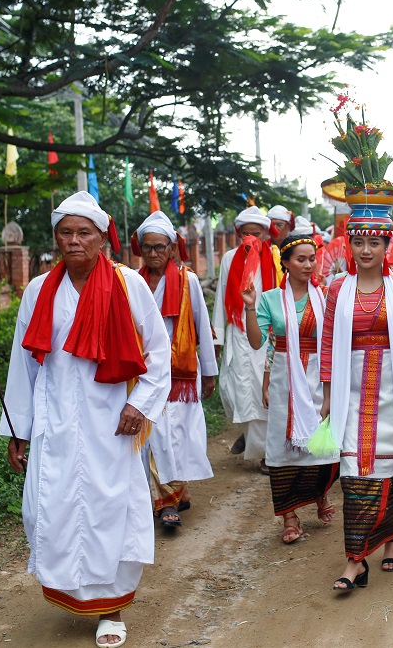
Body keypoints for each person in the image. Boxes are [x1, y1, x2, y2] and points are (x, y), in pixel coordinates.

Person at [0, 192, 170, 648]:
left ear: (101, 239)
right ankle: (73, 594)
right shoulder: (39, 290)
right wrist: (18, 430)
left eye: (84, 233)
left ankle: (112, 609)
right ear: (56, 238)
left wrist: (140, 405)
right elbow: (25, 366)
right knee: (51, 509)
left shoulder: (129, 283)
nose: (74, 241)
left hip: (112, 421)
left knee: (110, 511)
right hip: (54, 422)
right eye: (65, 233)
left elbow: (158, 352)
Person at [316, 201, 393, 592]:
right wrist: (326, 397)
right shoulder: (338, 287)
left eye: (374, 242)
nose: (366, 250)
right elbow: (328, 344)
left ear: (387, 245)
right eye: (359, 243)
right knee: (354, 473)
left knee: (391, 469)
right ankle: (355, 560)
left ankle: (391, 539)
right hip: (350, 392)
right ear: (349, 246)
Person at [242, 234, 339, 543]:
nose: (308, 264)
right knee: (284, 447)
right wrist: (249, 308)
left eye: (312, 258)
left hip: (320, 375)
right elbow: (259, 343)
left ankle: (319, 494)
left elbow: (335, 342)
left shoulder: (325, 296)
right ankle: (290, 516)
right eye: (301, 259)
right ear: (285, 262)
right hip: (286, 377)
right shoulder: (271, 299)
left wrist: (331, 390)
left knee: (324, 444)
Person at [132, 211, 217, 530]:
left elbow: (201, 326)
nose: (153, 253)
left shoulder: (188, 280)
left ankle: (173, 495)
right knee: (153, 436)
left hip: (180, 374)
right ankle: (166, 500)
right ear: (139, 249)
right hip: (144, 373)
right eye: (148, 247)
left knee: (175, 436)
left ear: (171, 248)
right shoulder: (132, 281)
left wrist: (209, 372)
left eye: (159, 247)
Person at [213, 207, 278, 472]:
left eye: (257, 233)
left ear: (265, 234)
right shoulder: (230, 258)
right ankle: (251, 438)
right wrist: (216, 339)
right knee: (241, 390)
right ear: (239, 234)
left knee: (266, 392)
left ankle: (266, 454)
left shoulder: (274, 258)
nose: (251, 237)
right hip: (239, 333)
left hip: (269, 334)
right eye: (246, 233)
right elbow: (221, 297)